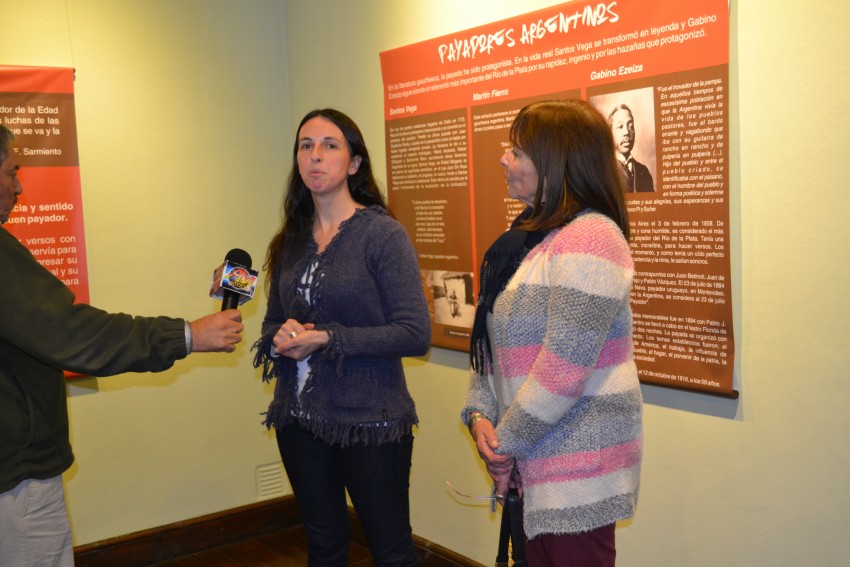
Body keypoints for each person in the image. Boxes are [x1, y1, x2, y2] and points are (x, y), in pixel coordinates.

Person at [0, 124, 245, 566]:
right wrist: (187, 335)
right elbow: (72, 335)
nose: (19, 187)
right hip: (16, 482)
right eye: (11, 172)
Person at [462, 100, 643, 566]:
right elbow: (491, 349)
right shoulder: (525, 241)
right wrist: (479, 416)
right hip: (532, 463)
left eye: (518, 151)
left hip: (577, 474)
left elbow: (564, 369)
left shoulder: (592, 238)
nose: (504, 159)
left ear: (555, 162)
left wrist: (504, 447)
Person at [252, 108, 430, 566]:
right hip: (298, 420)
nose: (315, 155)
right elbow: (270, 324)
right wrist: (280, 335)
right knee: (324, 546)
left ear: (354, 163)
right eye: (305, 146)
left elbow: (414, 333)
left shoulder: (382, 235)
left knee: (391, 551)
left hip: (371, 422)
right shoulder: (290, 240)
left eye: (330, 145)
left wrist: (329, 339)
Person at [608, 103, 654, 193]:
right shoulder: (604, 170)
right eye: (620, 127)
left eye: (631, 126)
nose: (626, 132)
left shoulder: (643, 171)